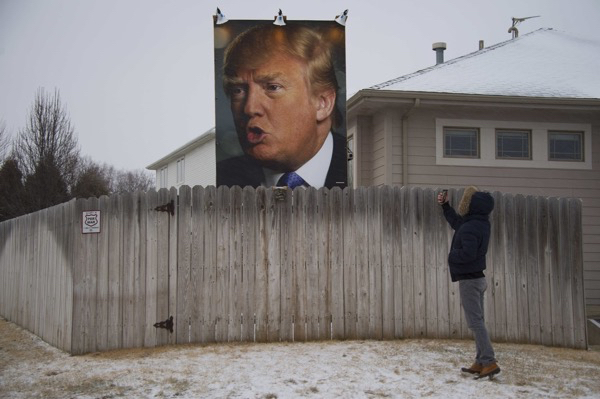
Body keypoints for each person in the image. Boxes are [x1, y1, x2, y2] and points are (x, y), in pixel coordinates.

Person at [217, 23, 347, 189]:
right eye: (238, 90)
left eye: (272, 87)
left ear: (323, 103)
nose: (249, 108)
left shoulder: (360, 166)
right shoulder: (221, 180)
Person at [437, 186, 500, 379]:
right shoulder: (479, 223)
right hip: (477, 278)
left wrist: (451, 256)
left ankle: (489, 361)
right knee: (477, 321)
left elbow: (468, 254)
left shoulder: (472, 226)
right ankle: (480, 361)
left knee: (475, 323)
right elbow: (458, 223)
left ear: (473, 205)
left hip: (470, 281)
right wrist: (445, 206)